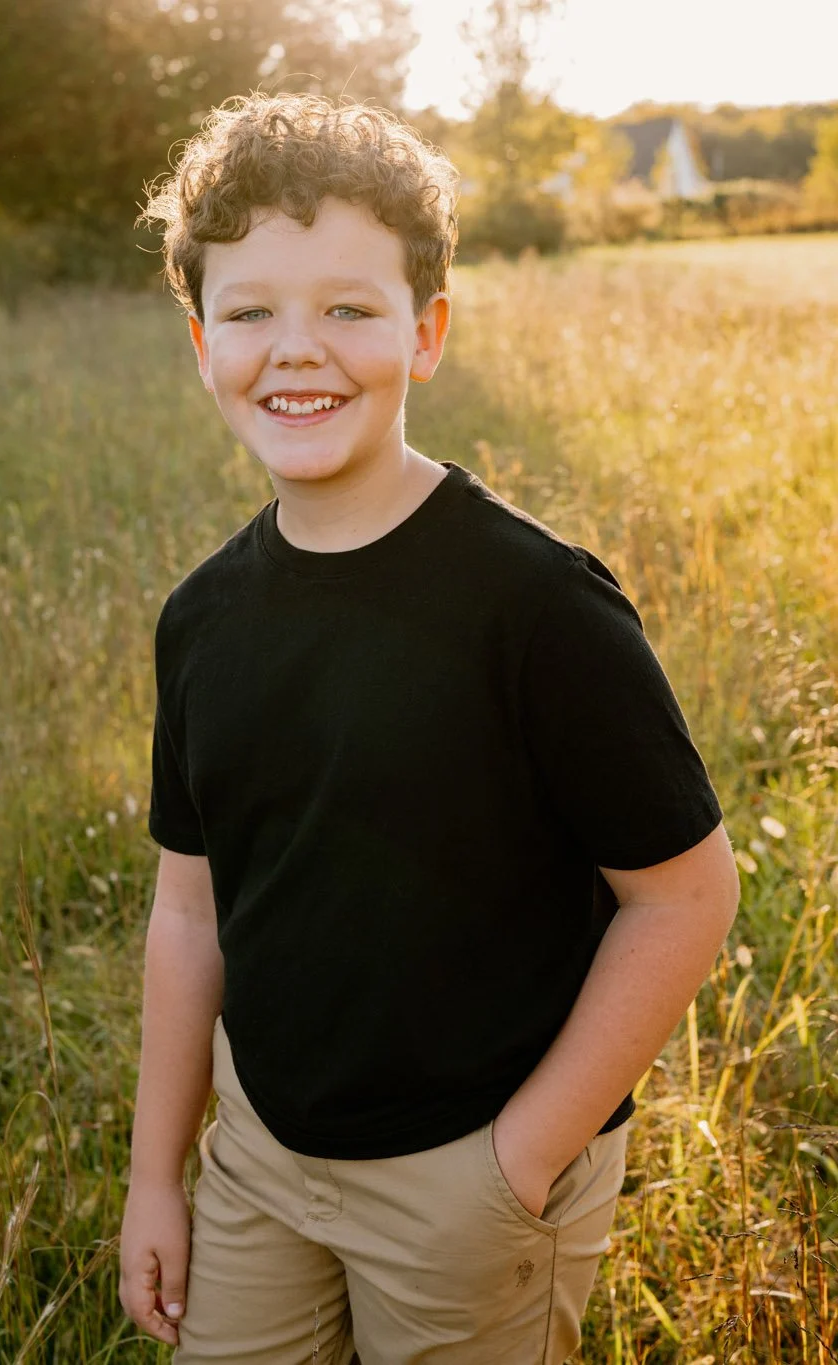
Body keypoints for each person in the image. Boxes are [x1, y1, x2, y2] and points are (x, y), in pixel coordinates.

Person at [115, 94, 739, 1363]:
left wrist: (512, 1164)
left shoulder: (532, 604)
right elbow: (189, 910)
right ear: (199, 343)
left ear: (426, 331)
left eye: (348, 308)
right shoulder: (201, 618)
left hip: (469, 1174)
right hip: (259, 1157)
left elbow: (682, 899)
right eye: (249, 312)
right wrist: (155, 1175)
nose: (297, 351)